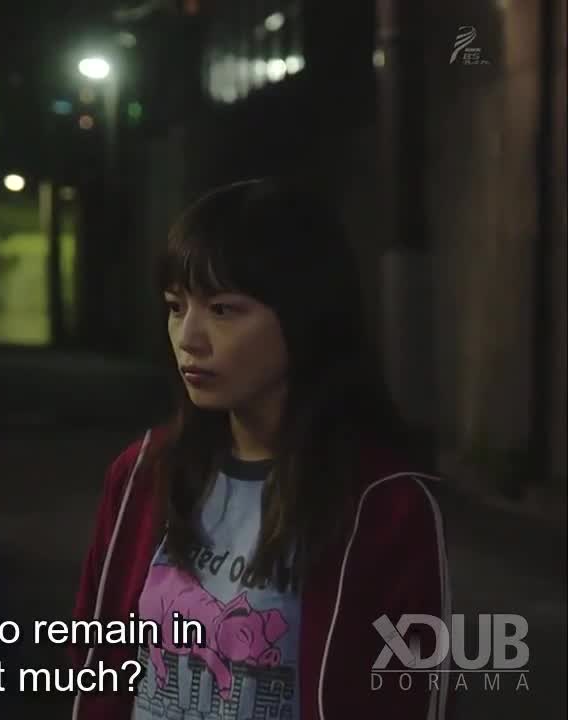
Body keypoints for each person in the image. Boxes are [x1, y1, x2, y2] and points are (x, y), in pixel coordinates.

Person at [70, 179, 452, 720]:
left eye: (223, 310)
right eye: (176, 307)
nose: (189, 338)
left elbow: (413, 699)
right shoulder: (143, 473)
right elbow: (97, 660)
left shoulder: (385, 505)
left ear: (304, 317)